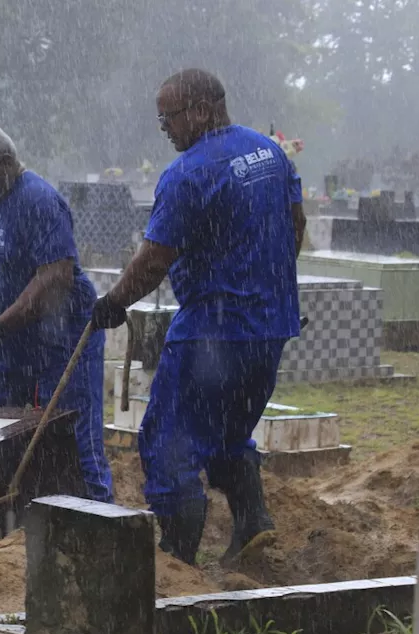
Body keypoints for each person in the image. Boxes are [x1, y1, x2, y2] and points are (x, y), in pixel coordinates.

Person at [90, 69, 305, 567]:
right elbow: (296, 224)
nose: (163, 126)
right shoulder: (270, 154)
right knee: (228, 430)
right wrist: (270, 289)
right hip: (269, 330)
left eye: (169, 116)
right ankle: (251, 523)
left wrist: (114, 301)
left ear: (203, 110)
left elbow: (154, 260)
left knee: (168, 441)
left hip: (212, 334)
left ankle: (177, 558)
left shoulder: (188, 173)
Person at [0, 123, 113, 503]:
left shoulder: (41, 202)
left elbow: (55, 278)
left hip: (59, 345)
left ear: (6, 162)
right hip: (6, 347)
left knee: (73, 442)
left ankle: (97, 523)